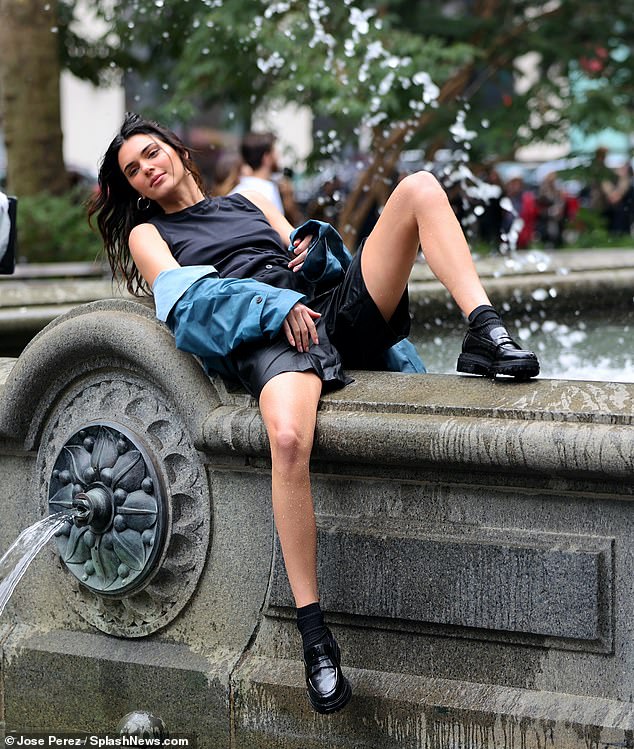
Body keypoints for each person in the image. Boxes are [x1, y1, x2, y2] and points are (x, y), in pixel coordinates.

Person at [88, 113, 540, 715]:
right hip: (269, 333)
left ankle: (485, 329)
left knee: (420, 189)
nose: (148, 167)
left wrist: (314, 249)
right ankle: (315, 638)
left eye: (151, 152)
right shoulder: (152, 235)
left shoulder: (249, 200)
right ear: (135, 189)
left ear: (176, 150)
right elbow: (189, 304)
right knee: (290, 438)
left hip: (323, 312)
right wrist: (275, 306)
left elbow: (298, 253)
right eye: (133, 169)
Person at [230, 131, 285, 213]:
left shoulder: (234, 191)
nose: (278, 156)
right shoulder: (268, 191)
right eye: (274, 151)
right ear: (266, 158)